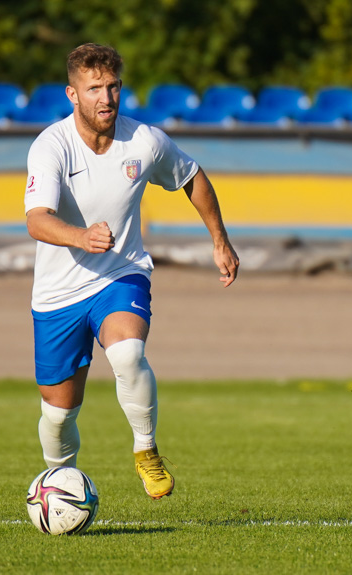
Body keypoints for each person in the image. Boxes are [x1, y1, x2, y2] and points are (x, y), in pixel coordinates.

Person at [24, 43, 239, 500]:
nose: (106, 98)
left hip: (121, 274)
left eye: (113, 86)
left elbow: (193, 177)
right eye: (94, 88)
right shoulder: (51, 146)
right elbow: (36, 219)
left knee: (127, 354)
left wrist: (220, 240)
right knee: (59, 415)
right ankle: (58, 486)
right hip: (58, 294)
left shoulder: (144, 140)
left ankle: (146, 449)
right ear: (72, 94)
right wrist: (80, 236)